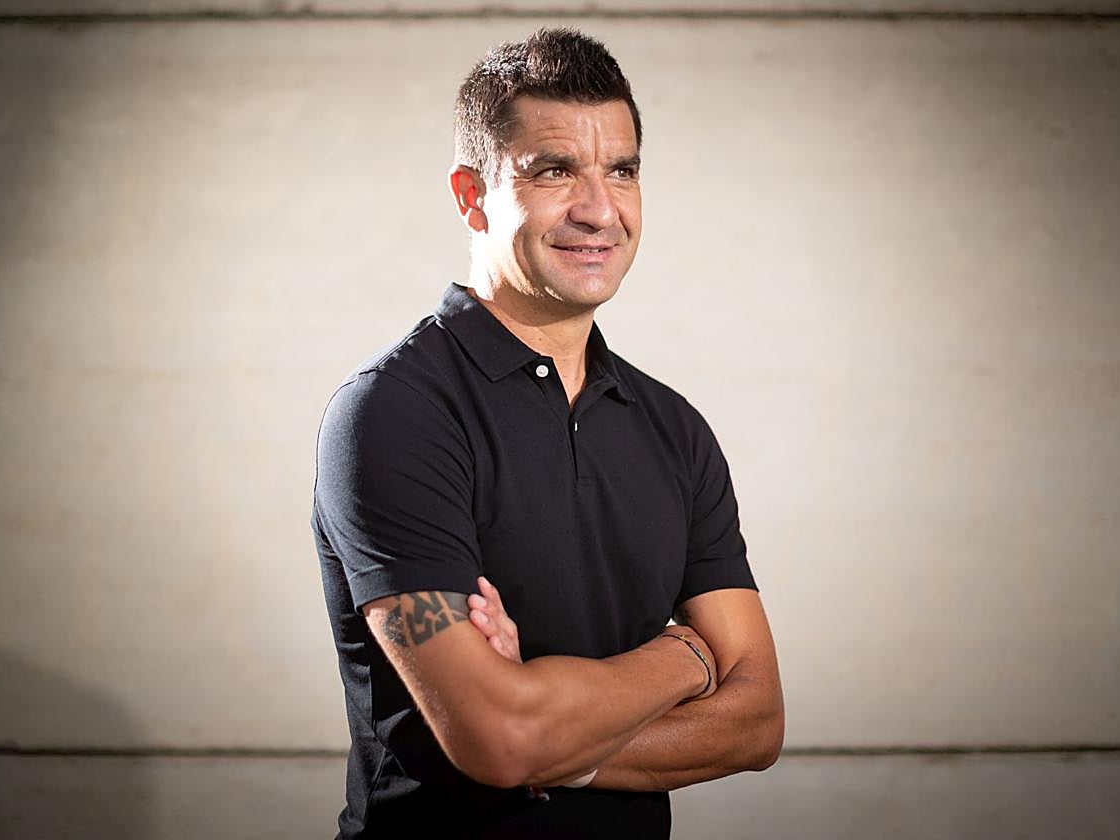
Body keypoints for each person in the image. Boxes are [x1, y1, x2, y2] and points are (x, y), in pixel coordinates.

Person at [312, 27, 784, 839]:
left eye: (622, 170)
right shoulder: (395, 412)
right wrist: (686, 659)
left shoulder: (673, 429)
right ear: (471, 196)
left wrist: (551, 740)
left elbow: (758, 722)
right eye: (554, 170)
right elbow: (499, 736)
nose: (600, 210)